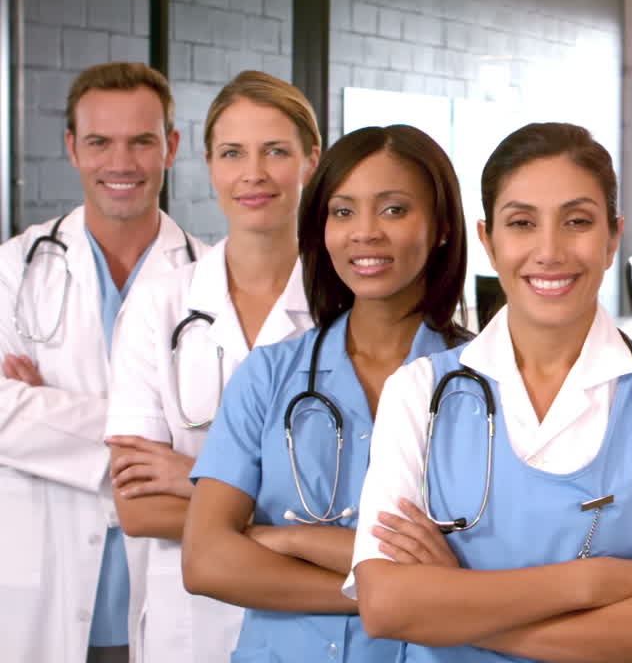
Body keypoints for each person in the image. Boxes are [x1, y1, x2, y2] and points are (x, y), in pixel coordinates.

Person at [348, 122, 632, 662]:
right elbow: (385, 606)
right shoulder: (418, 392)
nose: (549, 251)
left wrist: (455, 606)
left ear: (613, 238)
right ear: (488, 241)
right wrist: (589, 583)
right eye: (522, 223)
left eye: (576, 221)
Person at [182, 124, 470, 662]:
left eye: (394, 210)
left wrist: (293, 541)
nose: (365, 233)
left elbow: (493, 570)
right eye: (343, 212)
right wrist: (388, 596)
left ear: (442, 228)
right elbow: (206, 562)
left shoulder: (484, 384)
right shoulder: (269, 375)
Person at [104, 70, 321, 663]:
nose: (253, 173)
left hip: (312, 623)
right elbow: (138, 507)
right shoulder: (159, 304)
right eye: (232, 153)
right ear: (209, 166)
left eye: (275, 151)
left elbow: (367, 503)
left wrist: (195, 480)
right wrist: (293, 531)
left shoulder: (344, 308)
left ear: (311, 160)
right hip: (190, 627)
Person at [0, 61, 205, 663]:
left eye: (141, 141)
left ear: (170, 147)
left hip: (168, 588)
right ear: (72, 148)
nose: (121, 163)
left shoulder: (209, 283)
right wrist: (154, 439)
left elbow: (228, 440)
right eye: (99, 142)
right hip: (42, 582)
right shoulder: (14, 270)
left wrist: (46, 411)